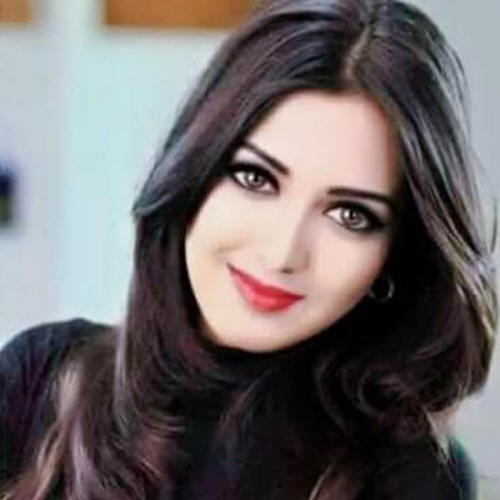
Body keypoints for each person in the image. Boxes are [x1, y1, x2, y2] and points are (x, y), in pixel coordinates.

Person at [0, 0, 497, 498]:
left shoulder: (411, 477)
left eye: (350, 215)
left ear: (393, 256)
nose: (282, 252)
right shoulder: (40, 381)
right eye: (255, 178)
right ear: (193, 172)